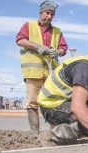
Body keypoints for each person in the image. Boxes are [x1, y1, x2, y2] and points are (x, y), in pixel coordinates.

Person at [16, 0, 68, 136]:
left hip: (51, 73)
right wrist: (37, 46)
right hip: (33, 72)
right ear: (41, 12)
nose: (49, 16)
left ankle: (54, 133)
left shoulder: (57, 31)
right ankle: (34, 134)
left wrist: (58, 52)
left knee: (53, 102)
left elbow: (64, 48)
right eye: (47, 13)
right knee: (33, 102)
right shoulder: (29, 26)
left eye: (52, 14)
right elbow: (20, 40)